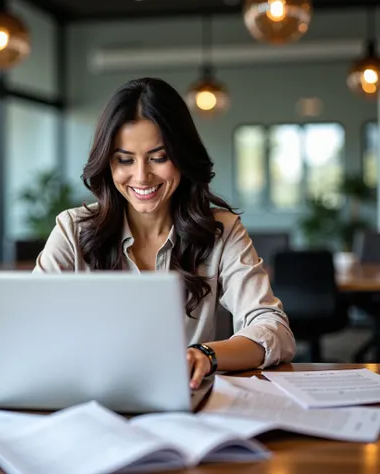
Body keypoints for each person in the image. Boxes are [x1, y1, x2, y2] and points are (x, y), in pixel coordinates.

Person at [34, 77, 296, 389]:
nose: (142, 176)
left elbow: (273, 329)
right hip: (89, 400)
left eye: (159, 157)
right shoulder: (72, 229)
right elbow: (33, 328)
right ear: (108, 163)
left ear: (182, 157)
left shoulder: (221, 231)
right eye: (125, 160)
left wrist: (205, 355)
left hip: (185, 402)